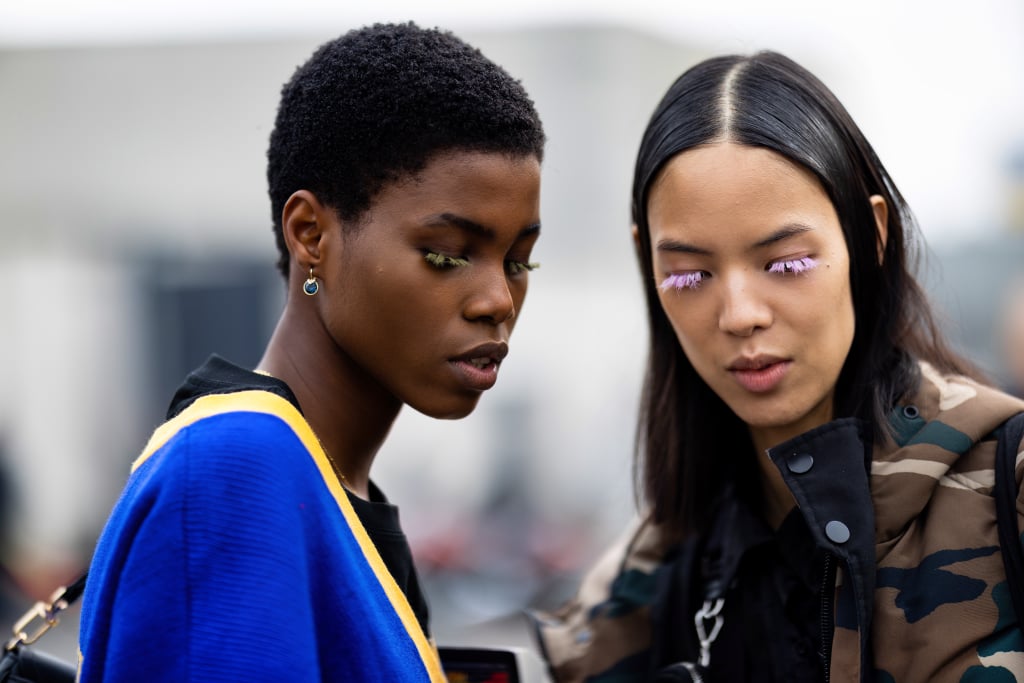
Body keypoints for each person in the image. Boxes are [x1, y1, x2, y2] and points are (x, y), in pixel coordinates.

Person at [531, 51, 1024, 682]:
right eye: (689, 273)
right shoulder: (652, 576)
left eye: (785, 263)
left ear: (868, 238)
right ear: (646, 265)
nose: (739, 314)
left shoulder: (1006, 486)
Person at [77, 22, 545, 682]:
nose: (497, 297)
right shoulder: (233, 471)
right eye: (448, 252)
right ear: (311, 235)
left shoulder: (333, 491)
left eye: (520, 260)